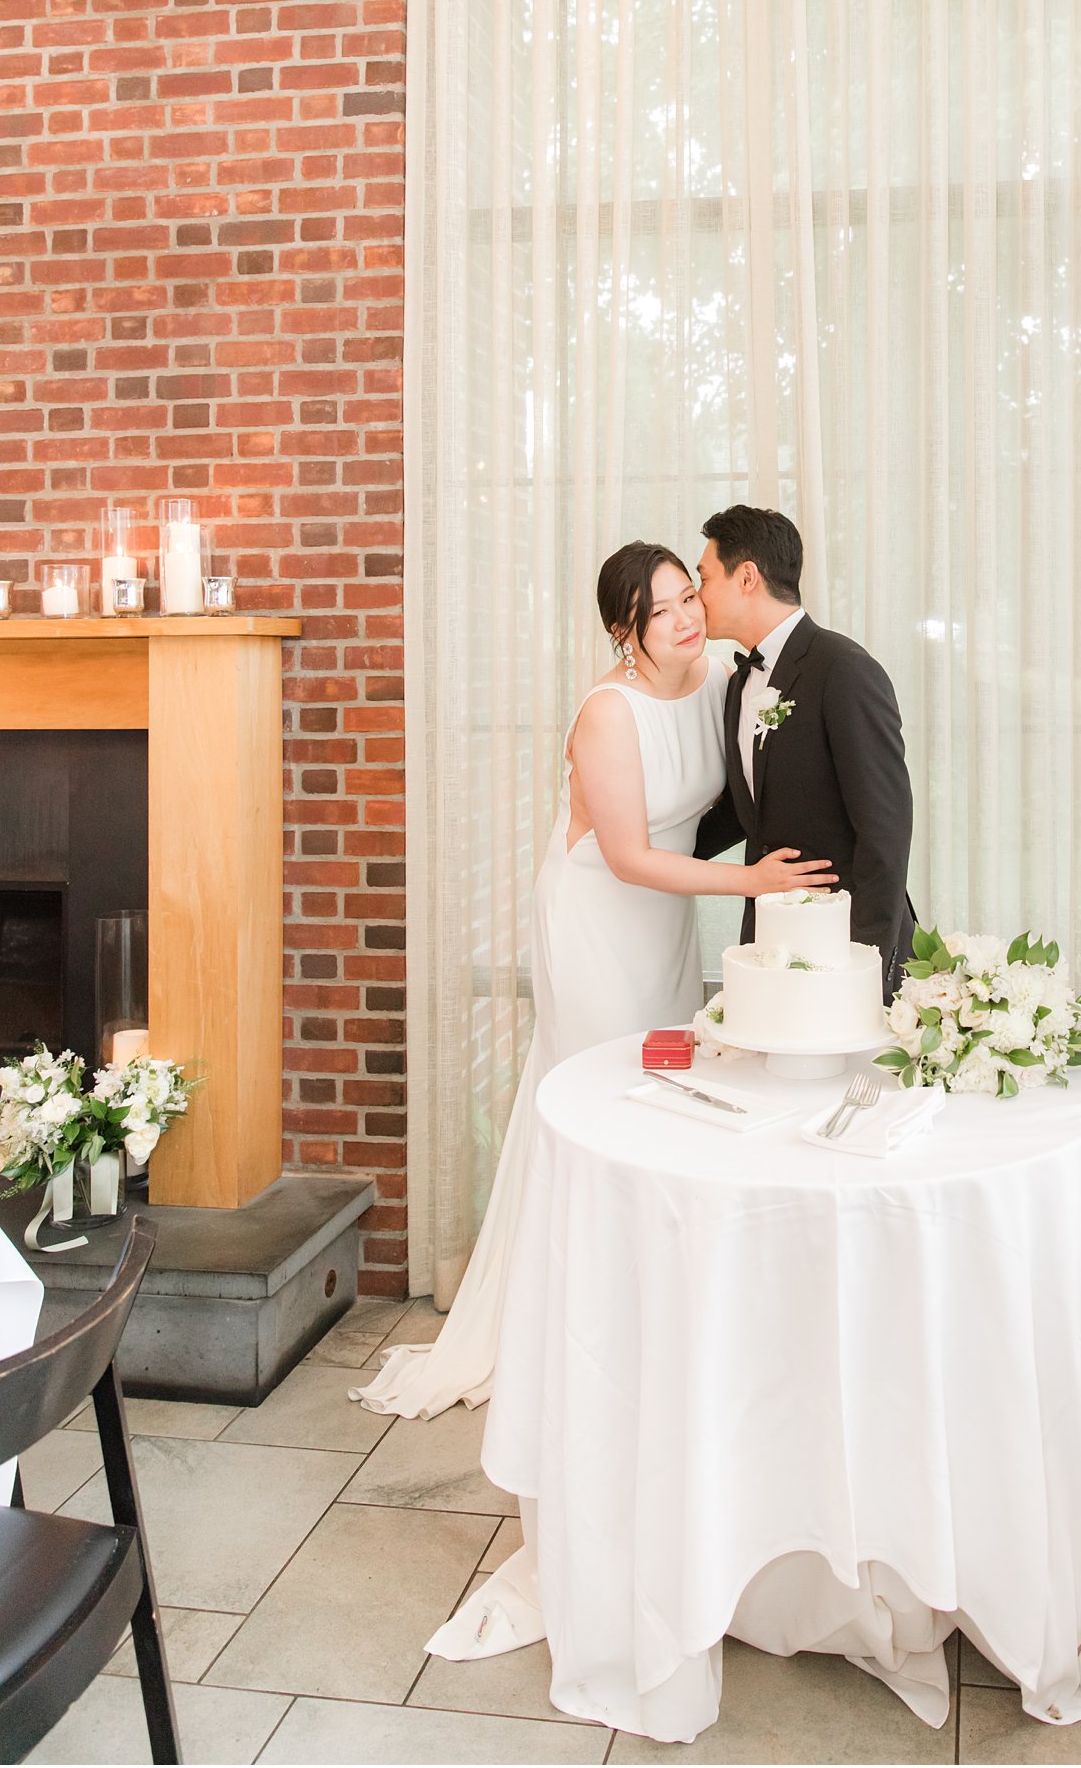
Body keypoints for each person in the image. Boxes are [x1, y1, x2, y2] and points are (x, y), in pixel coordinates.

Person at [351, 540, 832, 1421]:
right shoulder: (608, 712)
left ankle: (647, 1310)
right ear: (624, 631)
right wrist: (754, 881)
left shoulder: (724, 677)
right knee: (600, 1101)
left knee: (668, 1098)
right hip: (597, 913)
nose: (688, 617)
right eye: (663, 610)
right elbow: (628, 855)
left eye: (692, 596)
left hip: (665, 919)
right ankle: (568, 1322)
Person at [694, 506, 914, 997]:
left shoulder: (844, 670)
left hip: (847, 941)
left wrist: (867, 962)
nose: (698, 595)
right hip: (769, 939)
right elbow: (746, 807)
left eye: (704, 577)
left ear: (746, 576)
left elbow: (886, 829)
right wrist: (659, 854)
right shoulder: (738, 685)